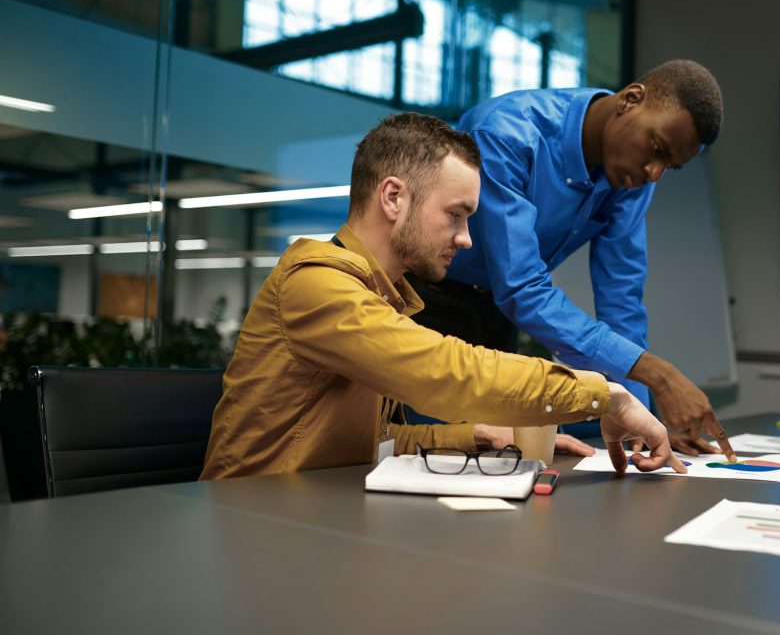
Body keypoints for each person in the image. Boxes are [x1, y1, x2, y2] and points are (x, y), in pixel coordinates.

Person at [200, 113, 685, 480]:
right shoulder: (316, 285)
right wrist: (604, 395)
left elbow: (368, 443)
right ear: (393, 197)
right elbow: (446, 371)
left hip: (311, 510)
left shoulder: (382, 295)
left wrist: (477, 436)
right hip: (251, 519)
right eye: (456, 215)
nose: (467, 239)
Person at [407, 59, 737, 460]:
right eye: (657, 150)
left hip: (496, 311)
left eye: (670, 166)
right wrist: (659, 375)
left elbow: (621, 299)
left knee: (498, 458)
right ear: (631, 99)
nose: (654, 173)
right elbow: (522, 288)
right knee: (430, 455)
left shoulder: (632, 179)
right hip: (427, 300)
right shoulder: (507, 134)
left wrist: (641, 420)